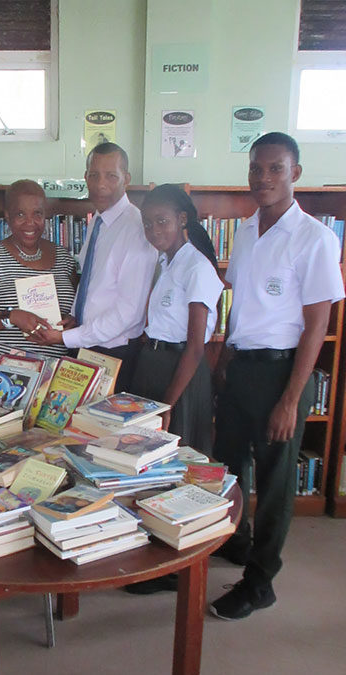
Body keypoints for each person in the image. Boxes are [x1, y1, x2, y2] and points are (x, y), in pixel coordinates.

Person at [209, 132, 344, 620]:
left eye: (275, 169)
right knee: (227, 465)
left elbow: (317, 324)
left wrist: (290, 399)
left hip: (282, 372)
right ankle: (237, 544)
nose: (263, 178)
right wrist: (224, 352)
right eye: (256, 168)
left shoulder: (315, 238)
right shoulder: (245, 231)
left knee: (275, 479)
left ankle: (260, 580)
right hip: (242, 365)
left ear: (296, 174)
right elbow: (239, 302)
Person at [32, 143, 157, 392]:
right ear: (85, 178)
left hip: (114, 351)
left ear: (127, 179)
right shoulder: (98, 220)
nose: (101, 184)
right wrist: (76, 317)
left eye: (111, 176)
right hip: (88, 342)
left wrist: (66, 337)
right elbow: (93, 281)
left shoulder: (136, 229)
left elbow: (128, 312)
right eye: (93, 175)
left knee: (105, 428)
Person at [130, 184, 223, 452]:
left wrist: (168, 404)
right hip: (153, 364)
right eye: (148, 223)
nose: (154, 230)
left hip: (181, 373)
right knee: (144, 452)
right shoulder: (164, 263)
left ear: (182, 219)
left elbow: (195, 348)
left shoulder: (197, 267)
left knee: (179, 453)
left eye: (162, 221)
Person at [0, 179, 77, 376]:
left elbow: (75, 309)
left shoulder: (64, 258)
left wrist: (71, 321)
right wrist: (13, 316)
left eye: (37, 214)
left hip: (57, 378)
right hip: (8, 380)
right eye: (21, 214)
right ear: (7, 216)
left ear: (45, 215)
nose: (30, 222)